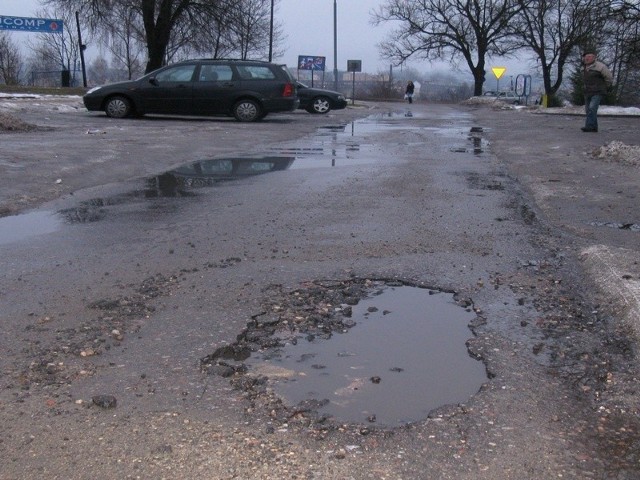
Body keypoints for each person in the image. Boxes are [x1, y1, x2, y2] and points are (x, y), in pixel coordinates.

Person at [581, 50, 613, 132]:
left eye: (590, 56)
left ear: (594, 58)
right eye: (586, 57)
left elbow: (609, 77)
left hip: (598, 91)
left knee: (592, 108)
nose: (587, 58)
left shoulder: (600, 67)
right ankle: (594, 127)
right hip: (587, 91)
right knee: (588, 110)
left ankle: (589, 126)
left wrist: (606, 87)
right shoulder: (583, 68)